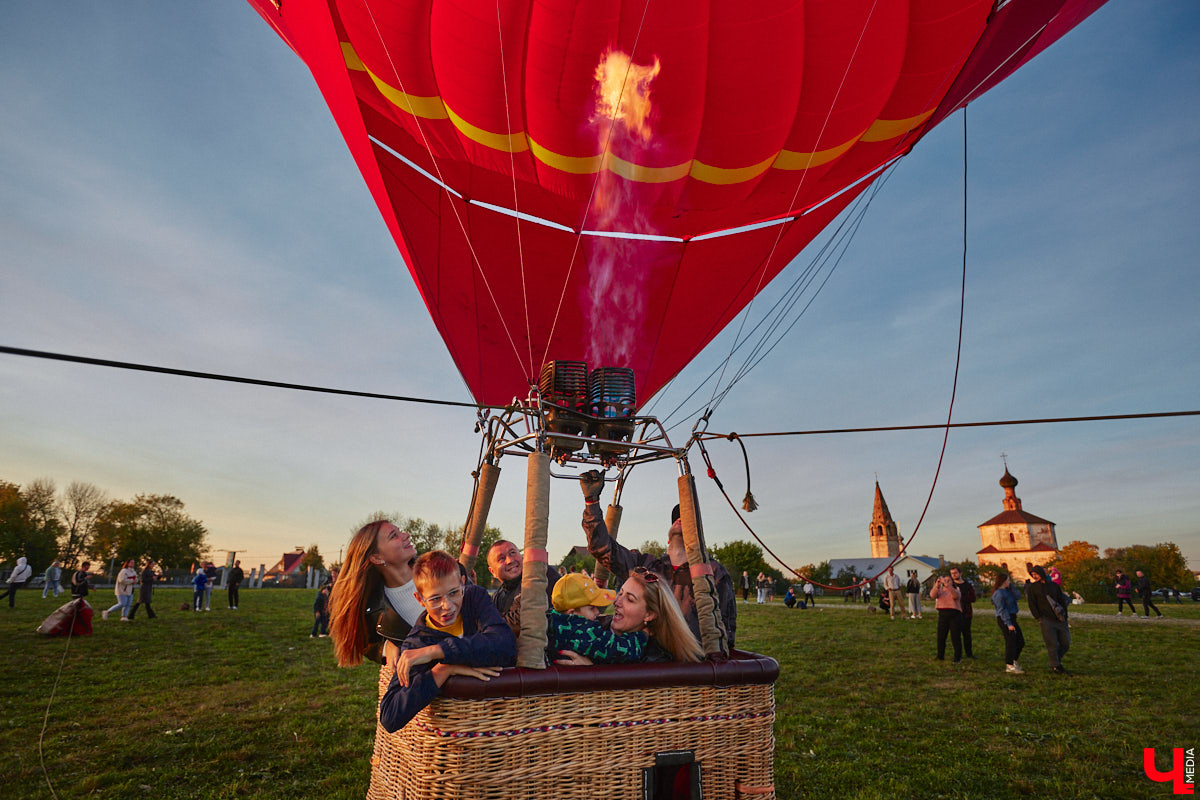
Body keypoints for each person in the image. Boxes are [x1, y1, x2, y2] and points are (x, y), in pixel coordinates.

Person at [579, 471, 737, 650]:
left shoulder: (713, 573)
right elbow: (603, 547)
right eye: (676, 518)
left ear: (697, 534)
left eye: (686, 518)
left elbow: (724, 631)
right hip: (644, 660)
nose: (679, 519)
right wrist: (591, 502)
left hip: (688, 665)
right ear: (668, 537)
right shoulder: (645, 566)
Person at [378, 551, 515, 733]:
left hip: (501, 722)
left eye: (453, 593)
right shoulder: (417, 643)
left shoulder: (474, 598)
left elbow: (506, 646)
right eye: (435, 599)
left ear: (463, 584)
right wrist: (442, 670)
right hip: (456, 735)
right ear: (420, 600)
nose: (447, 605)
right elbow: (390, 716)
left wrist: (438, 651)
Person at [553, 568, 704, 666]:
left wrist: (592, 672)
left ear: (650, 614)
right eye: (620, 593)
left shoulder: (657, 659)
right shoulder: (592, 625)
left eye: (630, 599)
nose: (617, 602)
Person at [329, 520, 424, 668]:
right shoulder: (373, 609)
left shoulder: (440, 571)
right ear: (377, 558)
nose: (406, 535)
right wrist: (386, 648)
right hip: (426, 686)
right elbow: (365, 643)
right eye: (394, 536)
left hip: (468, 677)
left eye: (400, 531)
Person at [546, 571, 645, 664]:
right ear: (572, 613)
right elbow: (621, 650)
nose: (597, 612)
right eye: (591, 608)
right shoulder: (584, 632)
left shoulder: (549, 621)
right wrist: (642, 636)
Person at [485, 539, 560, 638]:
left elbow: (524, 619)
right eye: (501, 558)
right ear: (492, 572)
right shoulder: (497, 597)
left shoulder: (540, 575)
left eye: (512, 553)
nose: (510, 561)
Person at [1026, 564, 1071, 675]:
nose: (1034, 576)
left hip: (1059, 618)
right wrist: (1038, 618)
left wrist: (1065, 616)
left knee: (1065, 643)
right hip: (1046, 619)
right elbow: (1032, 604)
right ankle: (1055, 665)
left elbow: (1061, 601)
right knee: (1052, 644)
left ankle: (1056, 660)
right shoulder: (1032, 588)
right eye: (1033, 575)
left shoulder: (1054, 586)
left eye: (1036, 574)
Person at [991, 572, 1025, 674]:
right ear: (1003, 581)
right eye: (1008, 580)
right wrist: (1008, 623)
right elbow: (1002, 610)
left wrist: (1012, 586)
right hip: (1005, 618)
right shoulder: (999, 594)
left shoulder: (1008, 590)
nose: (1009, 582)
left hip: (1012, 617)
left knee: (1020, 641)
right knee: (1011, 641)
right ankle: (1009, 664)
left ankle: (1013, 659)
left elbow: (1018, 596)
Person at [928, 574, 963, 662]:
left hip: (954, 614)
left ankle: (957, 657)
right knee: (941, 636)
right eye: (945, 580)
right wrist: (937, 585)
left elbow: (955, 596)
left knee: (955, 637)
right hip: (943, 614)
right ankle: (940, 655)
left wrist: (948, 585)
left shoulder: (956, 589)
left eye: (948, 580)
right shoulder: (940, 591)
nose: (946, 582)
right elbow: (932, 595)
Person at [950, 568, 976, 658]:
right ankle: (958, 654)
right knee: (956, 635)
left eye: (955, 573)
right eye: (952, 573)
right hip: (955, 613)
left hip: (966, 612)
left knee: (967, 635)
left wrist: (960, 597)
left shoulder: (967, 585)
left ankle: (969, 653)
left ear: (960, 573)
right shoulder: (951, 586)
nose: (954, 575)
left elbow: (973, 598)